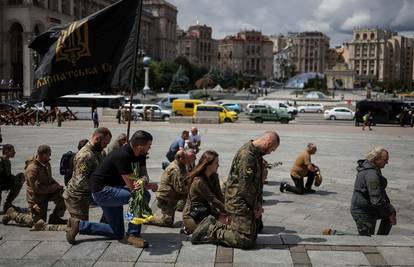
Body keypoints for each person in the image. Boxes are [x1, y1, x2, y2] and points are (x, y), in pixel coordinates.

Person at [66, 130, 158, 248]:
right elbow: (133, 186)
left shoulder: (140, 154)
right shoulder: (122, 155)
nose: (149, 149)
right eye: (148, 146)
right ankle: (133, 234)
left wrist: (144, 180)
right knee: (142, 195)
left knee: (117, 233)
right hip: (102, 192)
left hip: (116, 189)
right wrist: (151, 186)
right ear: (140, 146)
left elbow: (143, 174)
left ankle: (78, 225)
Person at [190, 131, 280, 249]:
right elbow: (245, 187)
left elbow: (256, 183)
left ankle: (226, 227)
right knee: (245, 241)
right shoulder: (247, 155)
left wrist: (258, 203)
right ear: (268, 143)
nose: (270, 152)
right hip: (238, 201)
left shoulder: (256, 154)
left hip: (246, 200)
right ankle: (211, 229)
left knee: (253, 235)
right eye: (272, 149)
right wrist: (254, 207)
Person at [2, 145, 67, 228]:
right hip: (37, 197)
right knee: (37, 223)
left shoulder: (46, 163)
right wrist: (33, 204)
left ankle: (55, 217)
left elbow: (49, 178)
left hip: (47, 192)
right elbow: (34, 189)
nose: (50, 156)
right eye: (49, 154)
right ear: (43, 155)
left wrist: (57, 185)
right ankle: (12, 214)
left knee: (65, 195)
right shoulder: (32, 169)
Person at [63, 128, 112, 221]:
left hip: (87, 194)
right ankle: (43, 226)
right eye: (105, 143)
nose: (105, 146)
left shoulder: (99, 152)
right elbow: (80, 182)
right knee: (80, 226)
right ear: (97, 139)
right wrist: (100, 185)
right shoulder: (85, 156)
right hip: (76, 197)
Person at [350, 147, 396, 236]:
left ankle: (380, 239)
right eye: (385, 160)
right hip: (363, 212)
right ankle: (376, 241)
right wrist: (389, 212)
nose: (387, 162)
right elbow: (376, 200)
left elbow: (380, 192)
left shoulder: (373, 168)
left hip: (369, 209)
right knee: (367, 240)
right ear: (377, 159)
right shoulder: (372, 174)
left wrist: (390, 210)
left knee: (389, 213)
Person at [182, 150, 226, 234]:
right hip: (193, 215)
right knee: (215, 231)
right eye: (216, 163)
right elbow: (213, 200)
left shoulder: (214, 177)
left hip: (206, 211)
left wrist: (228, 211)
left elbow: (219, 196)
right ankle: (188, 227)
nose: (218, 165)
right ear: (208, 165)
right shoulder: (199, 181)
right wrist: (228, 212)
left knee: (227, 222)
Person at [146, 150, 190, 227]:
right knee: (167, 222)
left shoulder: (181, 165)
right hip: (166, 199)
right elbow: (180, 189)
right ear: (180, 159)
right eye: (186, 158)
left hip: (172, 197)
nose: (188, 160)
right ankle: (147, 218)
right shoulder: (175, 169)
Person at [0, 144, 24, 214]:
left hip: (3, 182)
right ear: (6, 151)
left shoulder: (7, 161)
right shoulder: (1, 161)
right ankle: (7, 205)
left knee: (20, 177)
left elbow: (7, 175)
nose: (14, 152)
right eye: (12, 151)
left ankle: (8, 203)